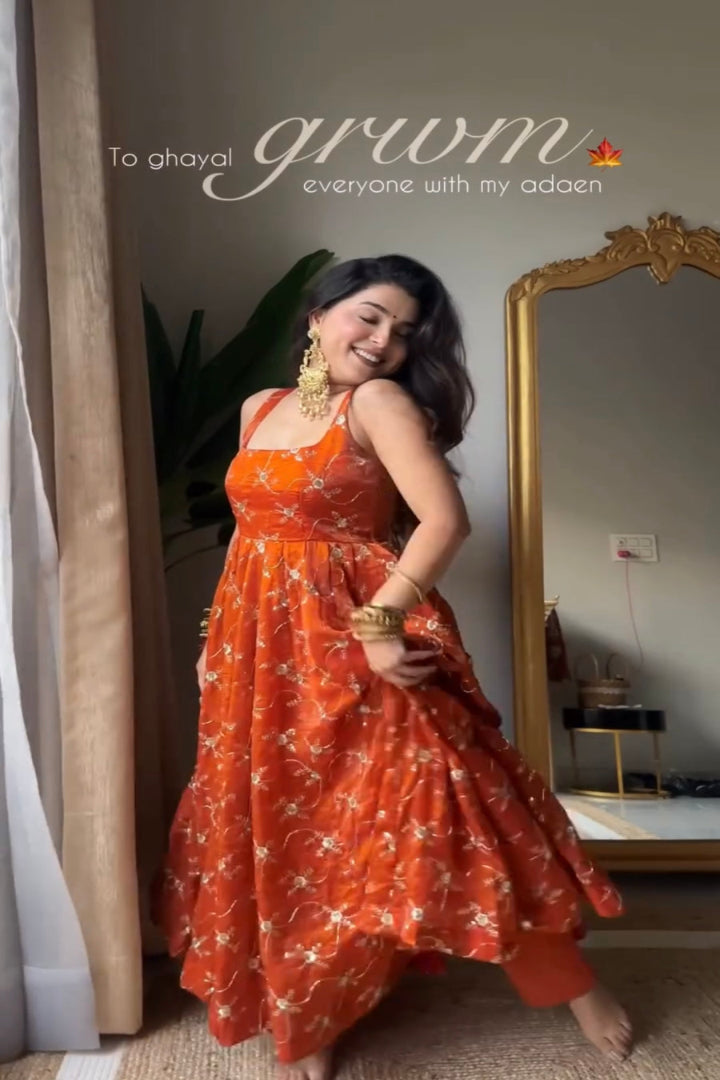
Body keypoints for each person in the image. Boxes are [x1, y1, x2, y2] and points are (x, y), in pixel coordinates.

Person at [152, 255, 633, 1080]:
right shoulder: (259, 408)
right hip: (260, 651)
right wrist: (212, 637)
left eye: (403, 333)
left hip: (362, 637)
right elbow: (250, 535)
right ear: (317, 317)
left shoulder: (377, 403)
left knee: (455, 811)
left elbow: (442, 523)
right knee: (290, 826)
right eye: (368, 317)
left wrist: (379, 622)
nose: (382, 342)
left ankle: (574, 985)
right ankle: (315, 1005)